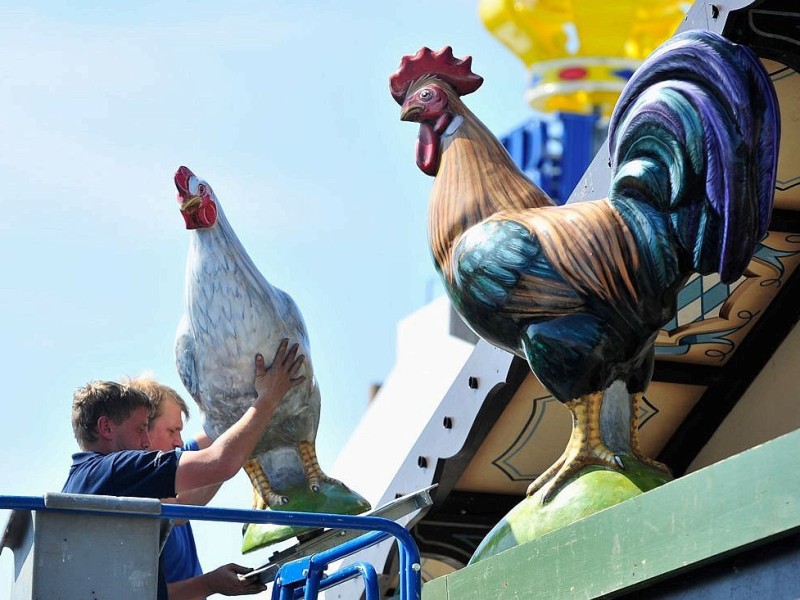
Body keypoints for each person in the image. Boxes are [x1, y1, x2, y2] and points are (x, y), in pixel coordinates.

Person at [62, 339, 305, 600]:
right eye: (140, 429)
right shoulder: (118, 470)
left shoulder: (82, 481)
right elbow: (221, 461)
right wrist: (269, 398)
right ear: (107, 428)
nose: (145, 442)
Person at [127, 374, 255, 599]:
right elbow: (147, 595)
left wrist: (251, 400)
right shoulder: (133, 490)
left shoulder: (174, 457)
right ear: (143, 429)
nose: (178, 441)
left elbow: (223, 435)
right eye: (171, 431)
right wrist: (210, 583)